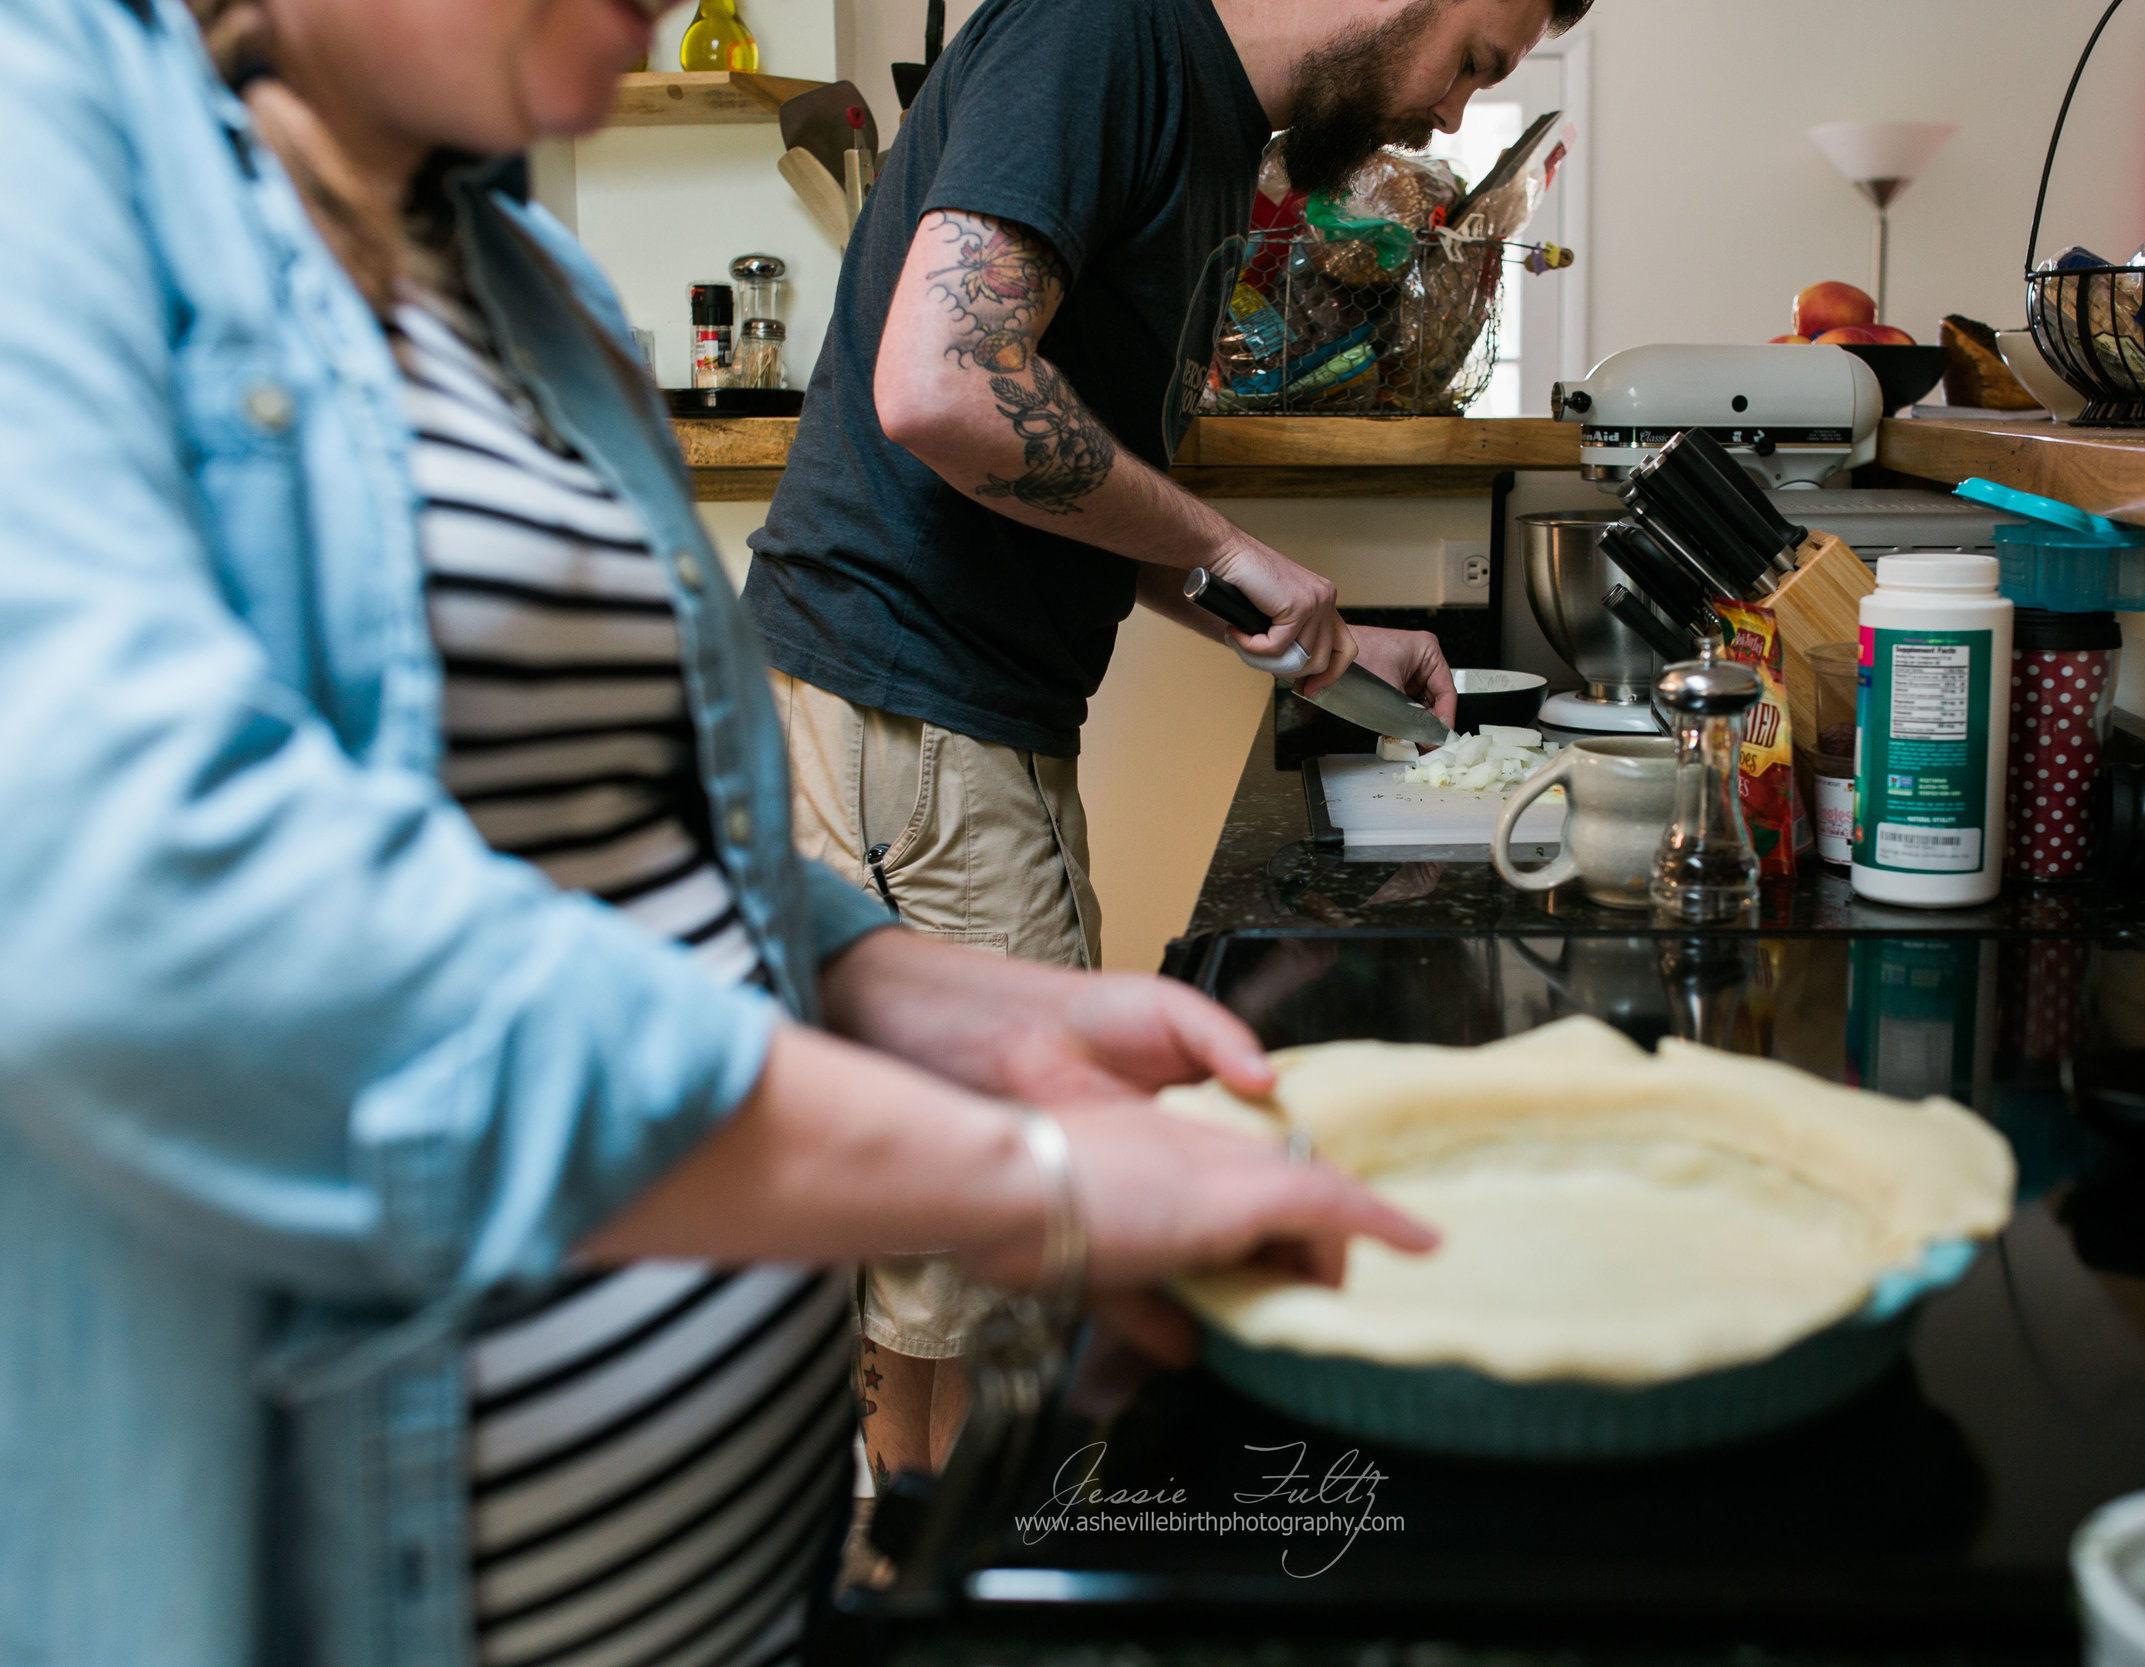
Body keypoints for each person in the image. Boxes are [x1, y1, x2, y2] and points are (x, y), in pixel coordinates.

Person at [0, 3, 1433, 1666]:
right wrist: (1016, 1177)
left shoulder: (519, 275)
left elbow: (629, 845)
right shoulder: (54, 140)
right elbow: (138, 918)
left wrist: (953, 1003)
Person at [748, 0, 1589, 1484]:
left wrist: (1277, 605)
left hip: (955, 726)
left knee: (960, 1266)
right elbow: (945, 384)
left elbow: (1060, 473)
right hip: (918, 720)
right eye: (1476, 60)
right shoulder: (1103, 36)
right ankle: (947, 1610)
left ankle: (920, 1578)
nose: (1456, 117)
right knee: (993, 1278)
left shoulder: (1204, 123)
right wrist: (1225, 546)